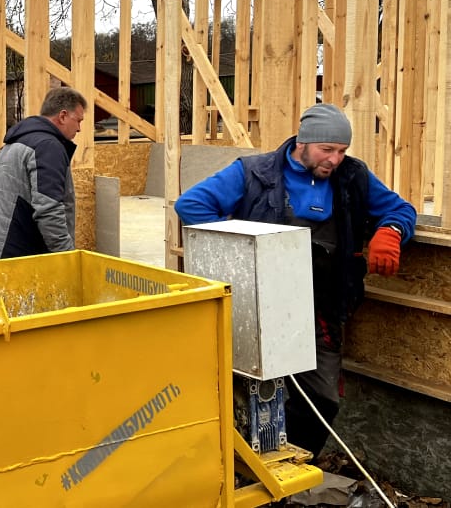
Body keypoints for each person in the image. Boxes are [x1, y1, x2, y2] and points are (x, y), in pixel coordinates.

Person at [174, 103, 416, 457]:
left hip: (321, 308)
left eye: (342, 151)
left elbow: (400, 209)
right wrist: (239, 250)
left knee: (322, 399)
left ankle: (289, 468)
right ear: (303, 142)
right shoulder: (255, 173)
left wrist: (392, 231)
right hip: (257, 307)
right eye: (327, 150)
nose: (334, 159)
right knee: (246, 392)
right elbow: (192, 205)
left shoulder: (352, 176)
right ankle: (238, 464)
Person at [0, 86, 87, 262]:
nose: (79, 128)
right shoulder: (49, 146)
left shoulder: (11, 145)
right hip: (6, 259)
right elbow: (49, 210)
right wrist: (68, 258)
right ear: (63, 116)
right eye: (78, 120)